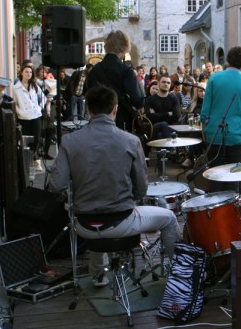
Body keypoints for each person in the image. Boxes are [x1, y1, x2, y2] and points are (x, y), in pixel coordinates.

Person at [48, 86, 181, 285]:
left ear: (89, 110)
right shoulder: (131, 140)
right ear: (115, 109)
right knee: (169, 218)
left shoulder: (68, 141)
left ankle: (99, 275)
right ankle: (180, 277)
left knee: (96, 213)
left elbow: (56, 185)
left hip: (84, 225)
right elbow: (141, 189)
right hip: (121, 222)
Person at [200, 46, 241, 192]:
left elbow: (205, 111)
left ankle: (216, 205)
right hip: (236, 136)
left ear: (227, 60)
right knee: (233, 180)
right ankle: (231, 205)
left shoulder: (214, 78)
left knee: (215, 178)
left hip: (214, 134)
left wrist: (204, 132)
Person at [86, 30, 144, 132]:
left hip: (97, 119)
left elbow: (88, 93)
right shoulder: (126, 71)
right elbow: (137, 99)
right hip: (121, 119)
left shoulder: (94, 70)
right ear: (124, 48)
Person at [13, 65, 45, 172]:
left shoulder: (34, 86)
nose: (29, 74)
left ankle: (34, 159)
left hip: (35, 115)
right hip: (23, 118)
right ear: (21, 73)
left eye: (30, 72)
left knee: (37, 139)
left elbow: (43, 98)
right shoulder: (16, 88)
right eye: (26, 72)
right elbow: (14, 103)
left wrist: (40, 107)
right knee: (26, 141)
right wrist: (19, 111)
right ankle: (32, 162)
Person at [144, 76, 181, 140]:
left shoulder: (174, 99)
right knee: (163, 125)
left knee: (160, 135)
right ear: (158, 84)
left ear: (170, 85)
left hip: (170, 127)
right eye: (163, 82)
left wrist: (157, 116)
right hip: (154, 128)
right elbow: (150, 116)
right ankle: (171, 144)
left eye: (168, 83)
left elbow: (176, 116)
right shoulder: (150, 99)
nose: (166, 84)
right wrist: (167, 114)